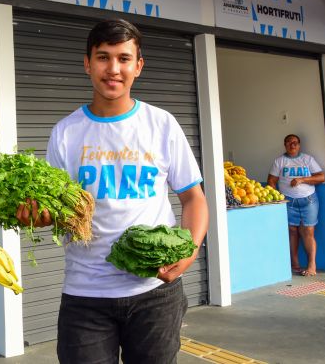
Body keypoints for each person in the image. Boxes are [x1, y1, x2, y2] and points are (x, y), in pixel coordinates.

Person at [18, 19, 208, 364]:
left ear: (139, 66)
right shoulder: (65, 132)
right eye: (103, 57)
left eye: (124, 58)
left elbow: (193, 198)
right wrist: (39, 216)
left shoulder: (161, 124)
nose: (113, 69)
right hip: (85, 294)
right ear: (87, 63)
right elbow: (58, 211)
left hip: (155, 291)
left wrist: (190, 252)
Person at [267, 134, 325, 277]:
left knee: (308, 231)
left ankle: (312, 266)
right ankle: (295, 265)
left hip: (309, 200)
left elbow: (321, 177)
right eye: (288, 142)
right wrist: (277, 197)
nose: (292, 145)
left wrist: (302, 179)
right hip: (288, 201)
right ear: (285, 145)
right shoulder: (279, 161)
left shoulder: (307, 159)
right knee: (292, 231)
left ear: (299, 145)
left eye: (295, 142)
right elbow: (271, 181)